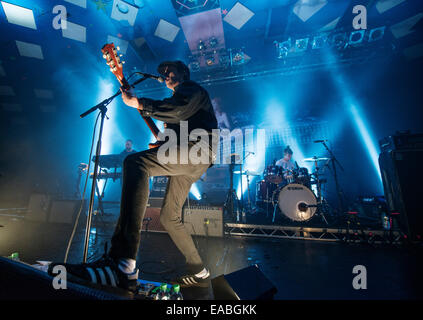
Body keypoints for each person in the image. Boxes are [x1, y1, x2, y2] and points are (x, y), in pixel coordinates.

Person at [48, 61, 218, 292]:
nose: (166, 75)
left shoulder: (191, 88)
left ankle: (123, 262)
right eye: (164, 73)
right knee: (169, 217)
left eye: (170, 71)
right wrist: (162, 142)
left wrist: (137, 102)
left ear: (183, 73)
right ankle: (199, 270)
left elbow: (177, 109)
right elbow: (176, 130)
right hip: (191, 155)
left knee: (135, 163)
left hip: (197, 150)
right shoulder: (181, 102)